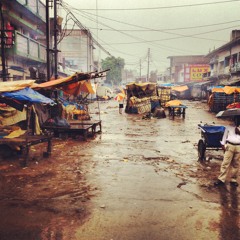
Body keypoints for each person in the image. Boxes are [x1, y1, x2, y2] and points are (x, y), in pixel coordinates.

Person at [214, 118, 240, 187]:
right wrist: (223, 144)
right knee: (225, 163)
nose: (237, 120)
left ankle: (233, 180)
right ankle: (221, 179)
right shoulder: (229, 126)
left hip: (238, 147)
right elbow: (225, 136)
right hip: (229, 146)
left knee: (236, 164)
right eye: (236, 119)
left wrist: (239, 132)